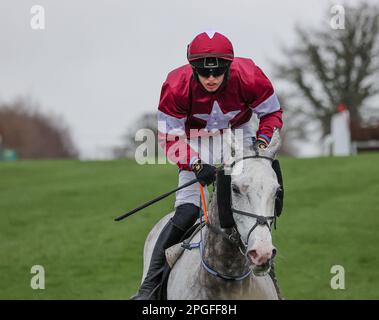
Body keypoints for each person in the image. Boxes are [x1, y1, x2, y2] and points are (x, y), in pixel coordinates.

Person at [132, 31, 283, 300]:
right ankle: (149, 287)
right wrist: (196, 163)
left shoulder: (250, 76)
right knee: (187, 212)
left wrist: (261, 144)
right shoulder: (175, 85)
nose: (211, 79)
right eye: (203, 73)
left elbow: (271, 113)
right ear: (193, 70)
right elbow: (169, 136)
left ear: (228, 67)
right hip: (194, 140)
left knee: (255, 197)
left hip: (239, 133)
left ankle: (270, 279)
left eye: (217, 72)